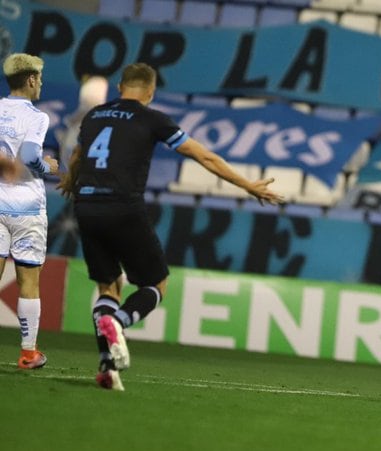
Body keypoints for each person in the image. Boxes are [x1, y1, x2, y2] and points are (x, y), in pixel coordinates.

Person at [58, 62, 284, 391]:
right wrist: (247, 185)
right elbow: (203, 156)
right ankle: (118, 322)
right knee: (156, 283)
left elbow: (78, 156)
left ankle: (108, 365)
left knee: (109, 286)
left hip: (87, 206)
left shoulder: (95, 115)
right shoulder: (153, 118)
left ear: (120, 87)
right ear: (150, 92)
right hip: (123, 206)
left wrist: (69, 181)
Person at [0, 53, 59, 369]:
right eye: (40, 79)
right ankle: (28, 353)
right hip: (27, 208)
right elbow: (29, 154)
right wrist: (47, 165)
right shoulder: (37, 117)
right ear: (32, 79)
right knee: (29, 281)